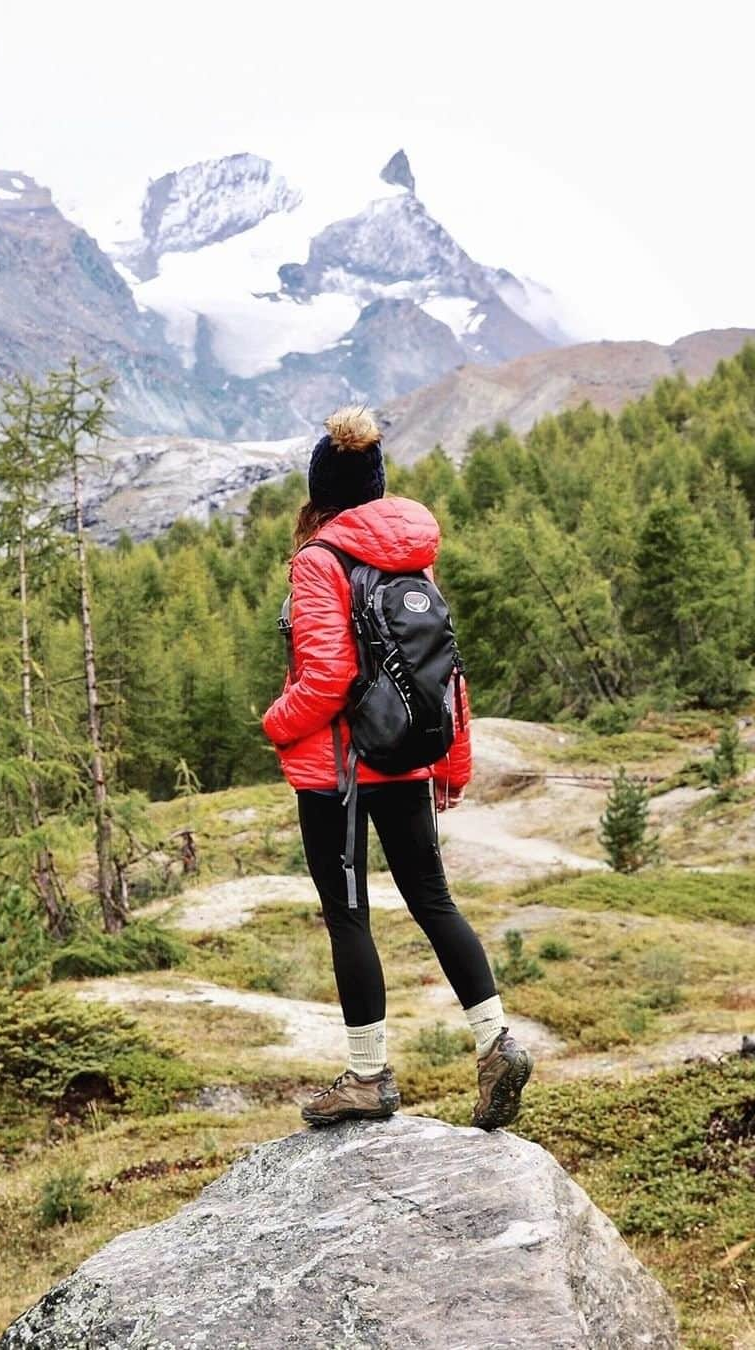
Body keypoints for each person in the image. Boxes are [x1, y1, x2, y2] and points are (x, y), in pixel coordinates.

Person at [262, 406, 531, 1131]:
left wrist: (273, 724)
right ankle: (496, 1041)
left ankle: (369, 1076)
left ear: (319, 490)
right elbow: (448, 672)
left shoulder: (320, 561)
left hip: (339, 774)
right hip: (408, 759)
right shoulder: (412, 558)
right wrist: (452, 763)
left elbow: (325, 680)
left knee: (348, 918)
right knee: (435, 901)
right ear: (376, 487)